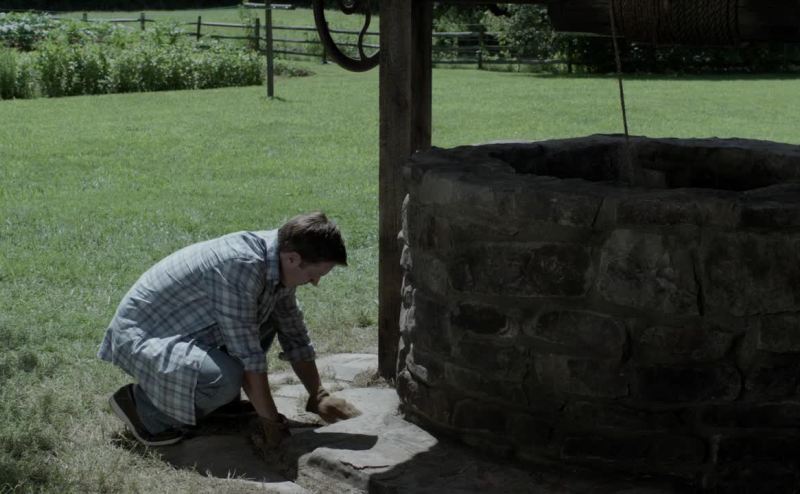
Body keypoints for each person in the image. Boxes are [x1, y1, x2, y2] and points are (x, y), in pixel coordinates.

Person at [98, 211, 361, 448]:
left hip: (187, 329)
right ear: (293, 258)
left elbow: (293, 332)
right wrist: (272, 423)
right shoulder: (241, 266)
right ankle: (143, 409)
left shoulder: (279, 260)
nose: (315, 282)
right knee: (224, 379)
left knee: (268, 319)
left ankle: (216, 406)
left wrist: (318, 395)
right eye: (315, 275)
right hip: (145, 336)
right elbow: (248, 357)